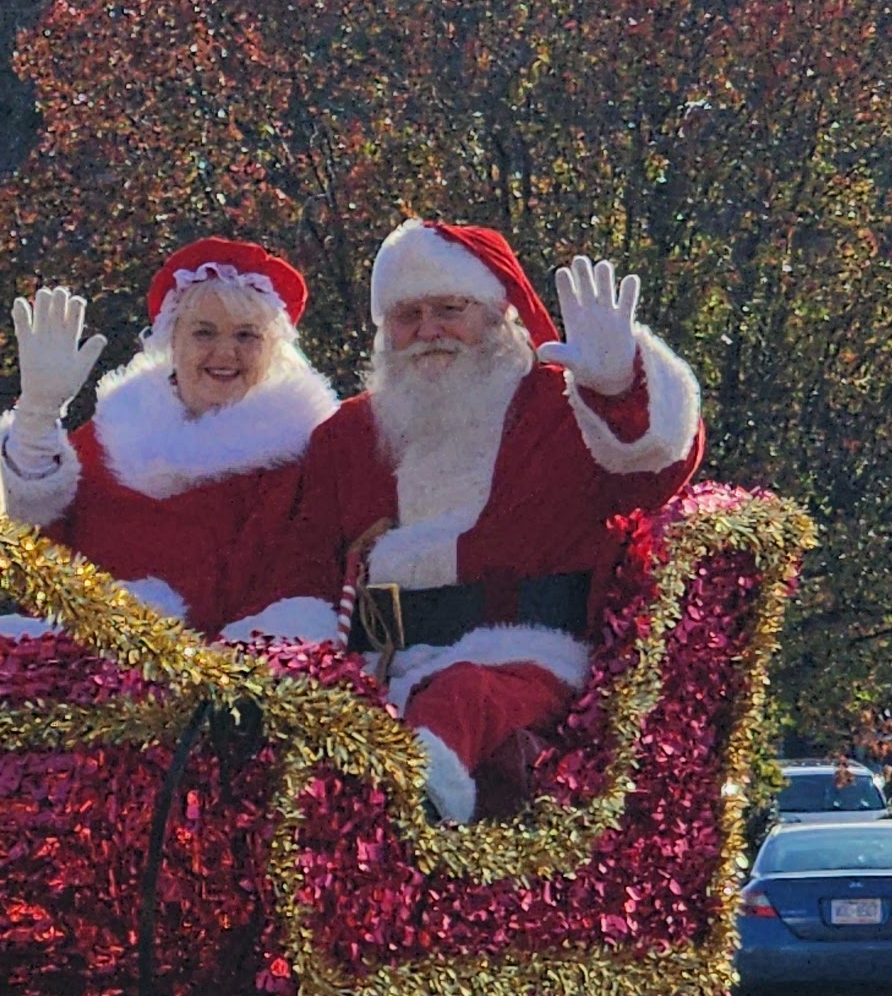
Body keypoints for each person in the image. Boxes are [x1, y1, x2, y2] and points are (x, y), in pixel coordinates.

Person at [236, 220, 703, 822]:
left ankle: (421, 804)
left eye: (449, 309)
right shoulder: (347, 438)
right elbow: (301, 570)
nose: (428, 331)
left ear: (495, 314)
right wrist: (286, 661)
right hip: (380, 670)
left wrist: (618, 388)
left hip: (526, 662)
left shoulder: (562, 407)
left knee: (464, 696)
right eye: (408, 315)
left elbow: (653, 469)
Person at [0, 237, 339, 634]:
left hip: (219, 678)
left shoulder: (299, 461)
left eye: (246, 336)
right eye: (204, 333)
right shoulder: (110, 437)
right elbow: (34, 561)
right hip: (76, 664)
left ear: (274, 349)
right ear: (172, 340)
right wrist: (37, 420)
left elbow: (297, 585)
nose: (225, 353)